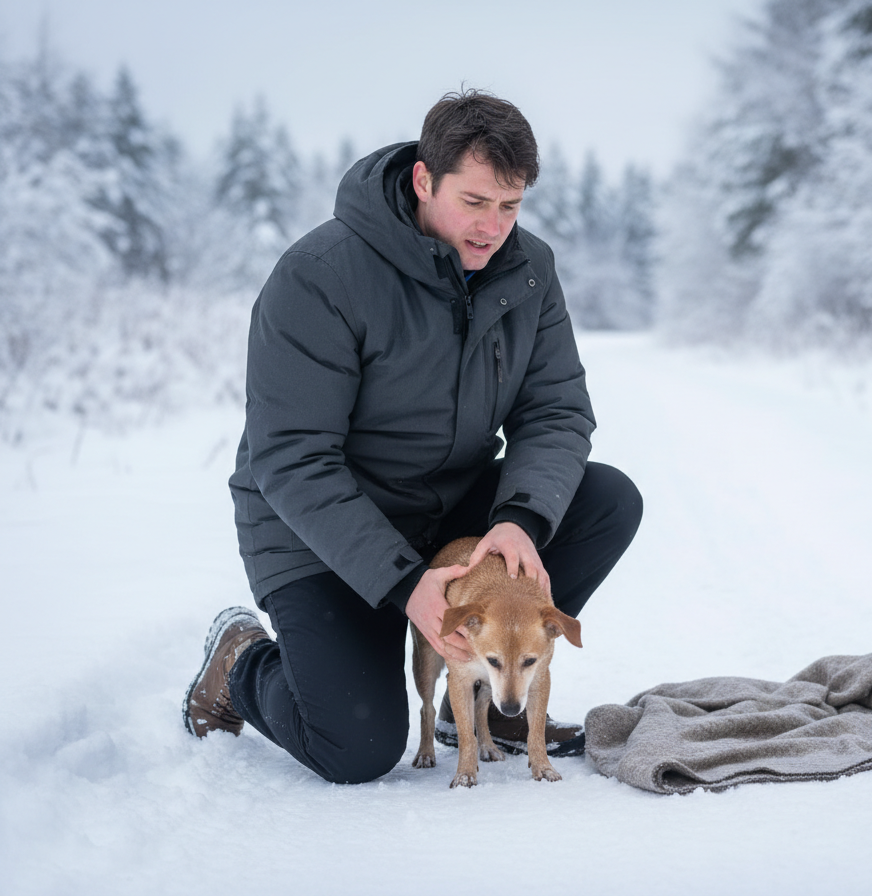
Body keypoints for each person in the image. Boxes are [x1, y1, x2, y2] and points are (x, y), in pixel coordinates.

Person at [182, 89, 643, 785]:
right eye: (476, 202)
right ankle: (240, 659)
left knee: (605, 498)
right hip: (323, 534)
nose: (494, 228)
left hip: (449, 508)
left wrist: (519, 520)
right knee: (357, 748)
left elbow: (556, 411)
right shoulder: (321, 275)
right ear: (424, 180)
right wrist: (405, 585)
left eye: (511, 206)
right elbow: (292, 457)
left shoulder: (529, 271)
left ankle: (484, 690)